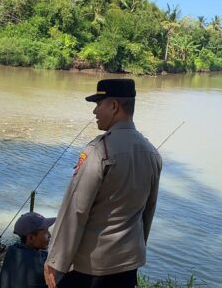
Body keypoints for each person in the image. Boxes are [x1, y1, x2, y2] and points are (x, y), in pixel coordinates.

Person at [44, 79, 162, 288]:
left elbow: (76, 210)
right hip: (128, 264)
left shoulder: (99, 151)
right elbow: (148, 211)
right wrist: (138, 247)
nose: (95, 111)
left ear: (114, 106)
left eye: (98, 103)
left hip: (92, 266)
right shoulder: (152, 153)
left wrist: (56, 260)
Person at [0, 212, 56, 288]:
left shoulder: (11, 250)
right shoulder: (42, 262)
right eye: (46, 231)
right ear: (31, 238)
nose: (49, 235)